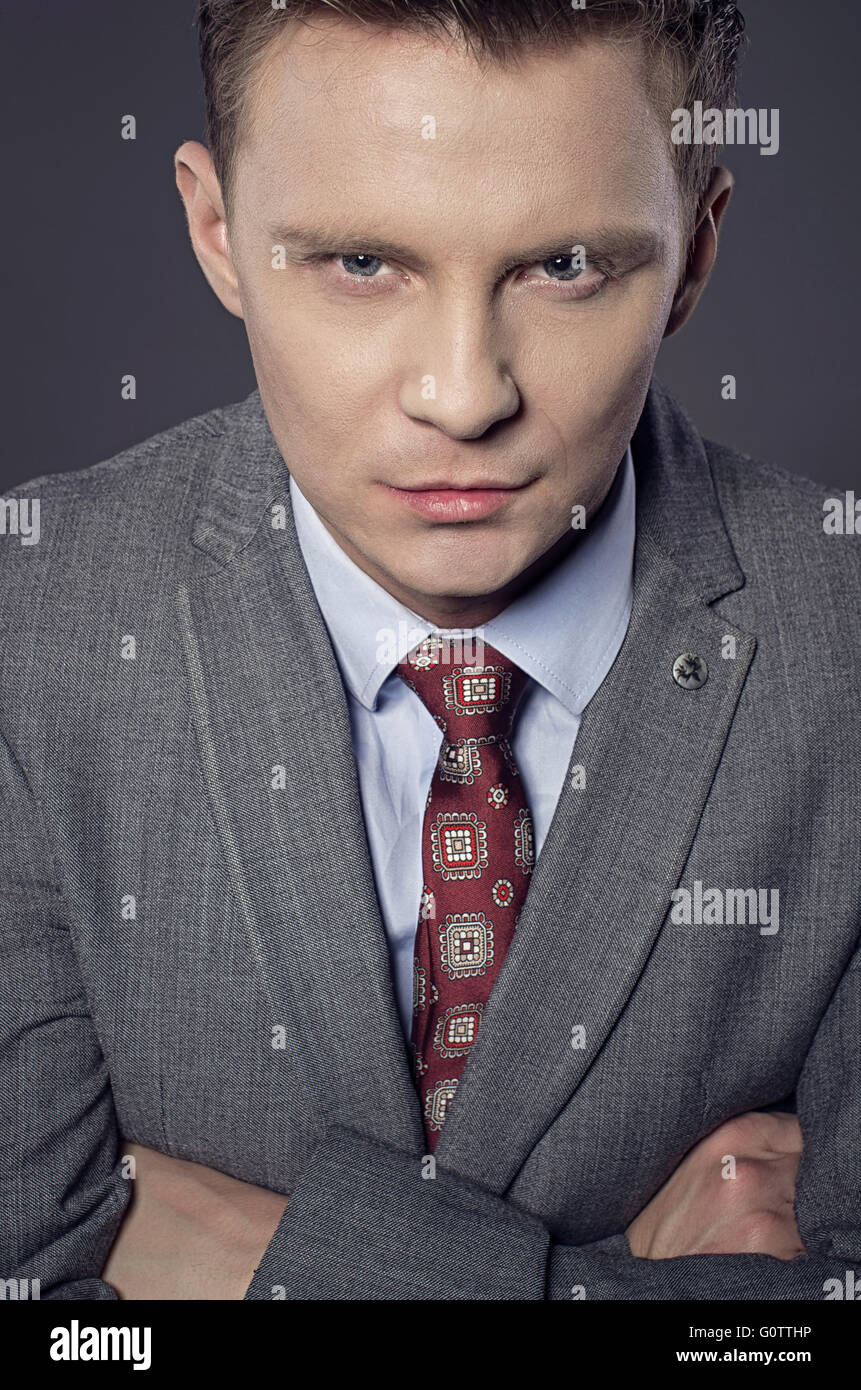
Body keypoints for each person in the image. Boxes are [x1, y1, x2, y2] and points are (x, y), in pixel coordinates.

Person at [2, 0, 859, 1301]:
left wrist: (276, 1265)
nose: (463, 395)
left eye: (566, 264)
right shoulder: (29, 619)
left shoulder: (842, 641)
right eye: (358, 262)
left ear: (692, 255)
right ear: (215, 230)